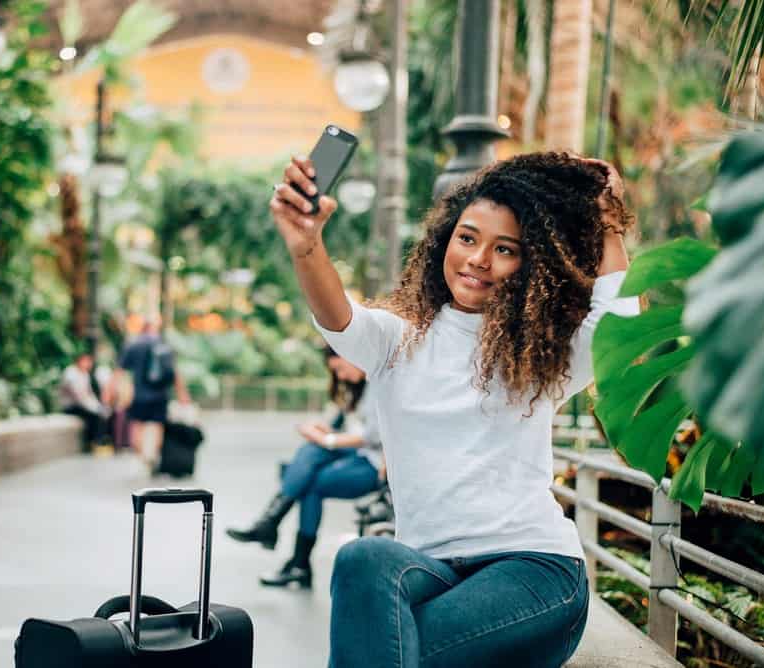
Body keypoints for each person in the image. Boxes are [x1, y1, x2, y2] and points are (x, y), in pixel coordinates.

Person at [269, 151, 639, 667]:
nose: (479, 259)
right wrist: (306, 245)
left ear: (530, 263)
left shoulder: (542, 354)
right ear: (446, 239)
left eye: (505, 249)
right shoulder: (396, 342)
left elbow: (617, 326)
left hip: (534, 572)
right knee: (364, 558)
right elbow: (341, 319)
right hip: (431, 573)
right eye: (467, 238)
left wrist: (606, 222)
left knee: (390, 647)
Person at [226, 347, 384, 590]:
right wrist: (324, 433)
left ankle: (277, 533)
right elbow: (357, 433)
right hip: (361, 454)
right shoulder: (362, 386)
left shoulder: (379, 382)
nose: (340, 376)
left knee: (311, 480)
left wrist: (328, 440)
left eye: (340, 368)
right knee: (310, 452)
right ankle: (288, 549)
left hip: (377, 463)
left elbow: (374, 436)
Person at [114, 314, 191, 469]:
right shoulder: (163, 345)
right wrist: (183, 394)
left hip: (139, 395)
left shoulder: (133, 346)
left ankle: (142, 455)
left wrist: (113, 394)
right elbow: (174, 373)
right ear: (155, 328)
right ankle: (153, 455)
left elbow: (119, 372)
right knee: (157, 426)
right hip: (160, 395)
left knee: (137, 426)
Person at [59, 352, 106, 452]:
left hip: (83, 405)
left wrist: (98, 406)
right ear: (79, 361)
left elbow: (89, 394)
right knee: (94, 416)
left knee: (102, 414)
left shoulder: (85, 374)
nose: (88, 364)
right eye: (86, 361)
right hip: (71, 406)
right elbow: (78, 396)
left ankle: (96, 441)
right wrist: (94, 409)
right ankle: (94, 442)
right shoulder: (70, 373)